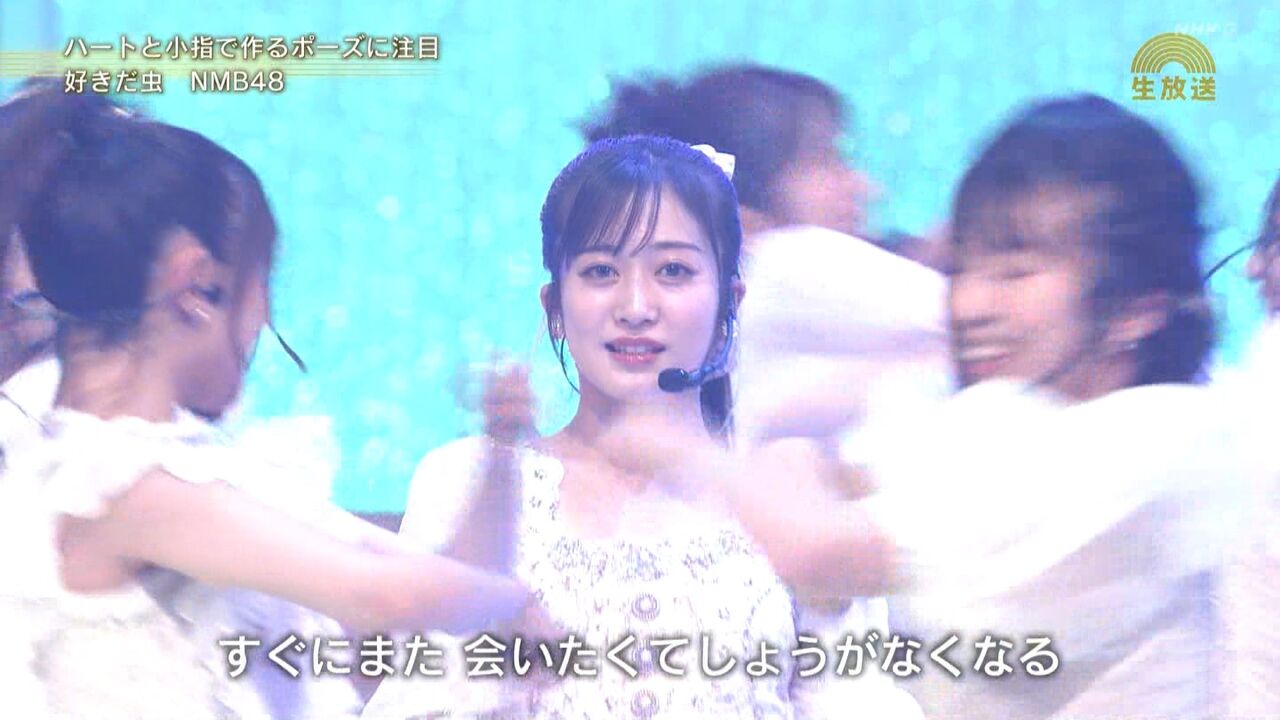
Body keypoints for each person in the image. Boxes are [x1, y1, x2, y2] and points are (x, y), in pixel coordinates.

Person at [684, 95, 1264, 719]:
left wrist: (671, 444)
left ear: (1137, 310)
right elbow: (841, 494)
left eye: (1015, 273)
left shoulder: (1164, 439)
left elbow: (822, 550)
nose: (971, 305)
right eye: (963, 268)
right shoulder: (1006, 415)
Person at [0, 85, 529, 720]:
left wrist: (502, 450)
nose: (264, 323)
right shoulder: (112, 483)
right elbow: (384, 595)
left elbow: (412, 588)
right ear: (196, 287)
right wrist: (518, 604)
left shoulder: (190, 472)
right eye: (261, 283)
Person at [363, 136, 799, 719]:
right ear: (555, 309)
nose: (636, 306)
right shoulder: (465, 479)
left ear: (729, 305)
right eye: (601, 271)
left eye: (673, 270)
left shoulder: (787, 497)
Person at [582, 64, 940, 719]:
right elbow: (973, 321)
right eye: (828, 160)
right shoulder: (783, 261)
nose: (863, 185)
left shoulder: (724, 307)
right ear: (746, 210)